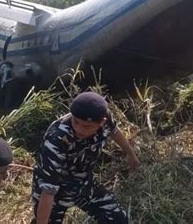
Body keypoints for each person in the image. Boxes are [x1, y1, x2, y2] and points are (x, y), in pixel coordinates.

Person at [32, 92, 140, 224]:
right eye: (75, 122)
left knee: (118, 219)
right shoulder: (57, 139)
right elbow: (48, 190)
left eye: (86, 126)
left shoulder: (103, 117)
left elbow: (114, 131)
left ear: (102, 122)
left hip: (83, 183)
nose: (79, 129)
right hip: (54, 191)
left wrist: (130, 154)